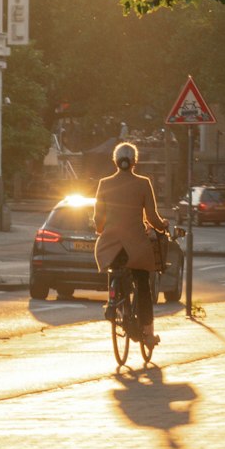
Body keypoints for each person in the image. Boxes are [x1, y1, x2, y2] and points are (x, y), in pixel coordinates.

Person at [93, 141, 168, 348]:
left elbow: (98, 217)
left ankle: (113, 301)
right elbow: (152, 216)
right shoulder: (143, 183)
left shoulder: (104, 183)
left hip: (110, 244)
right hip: (136, 245)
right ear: (135, 161)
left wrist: (101, 230)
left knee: (114, 268)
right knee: (143, 283)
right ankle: (148, 332)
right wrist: (162, 227)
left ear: (115, 161)